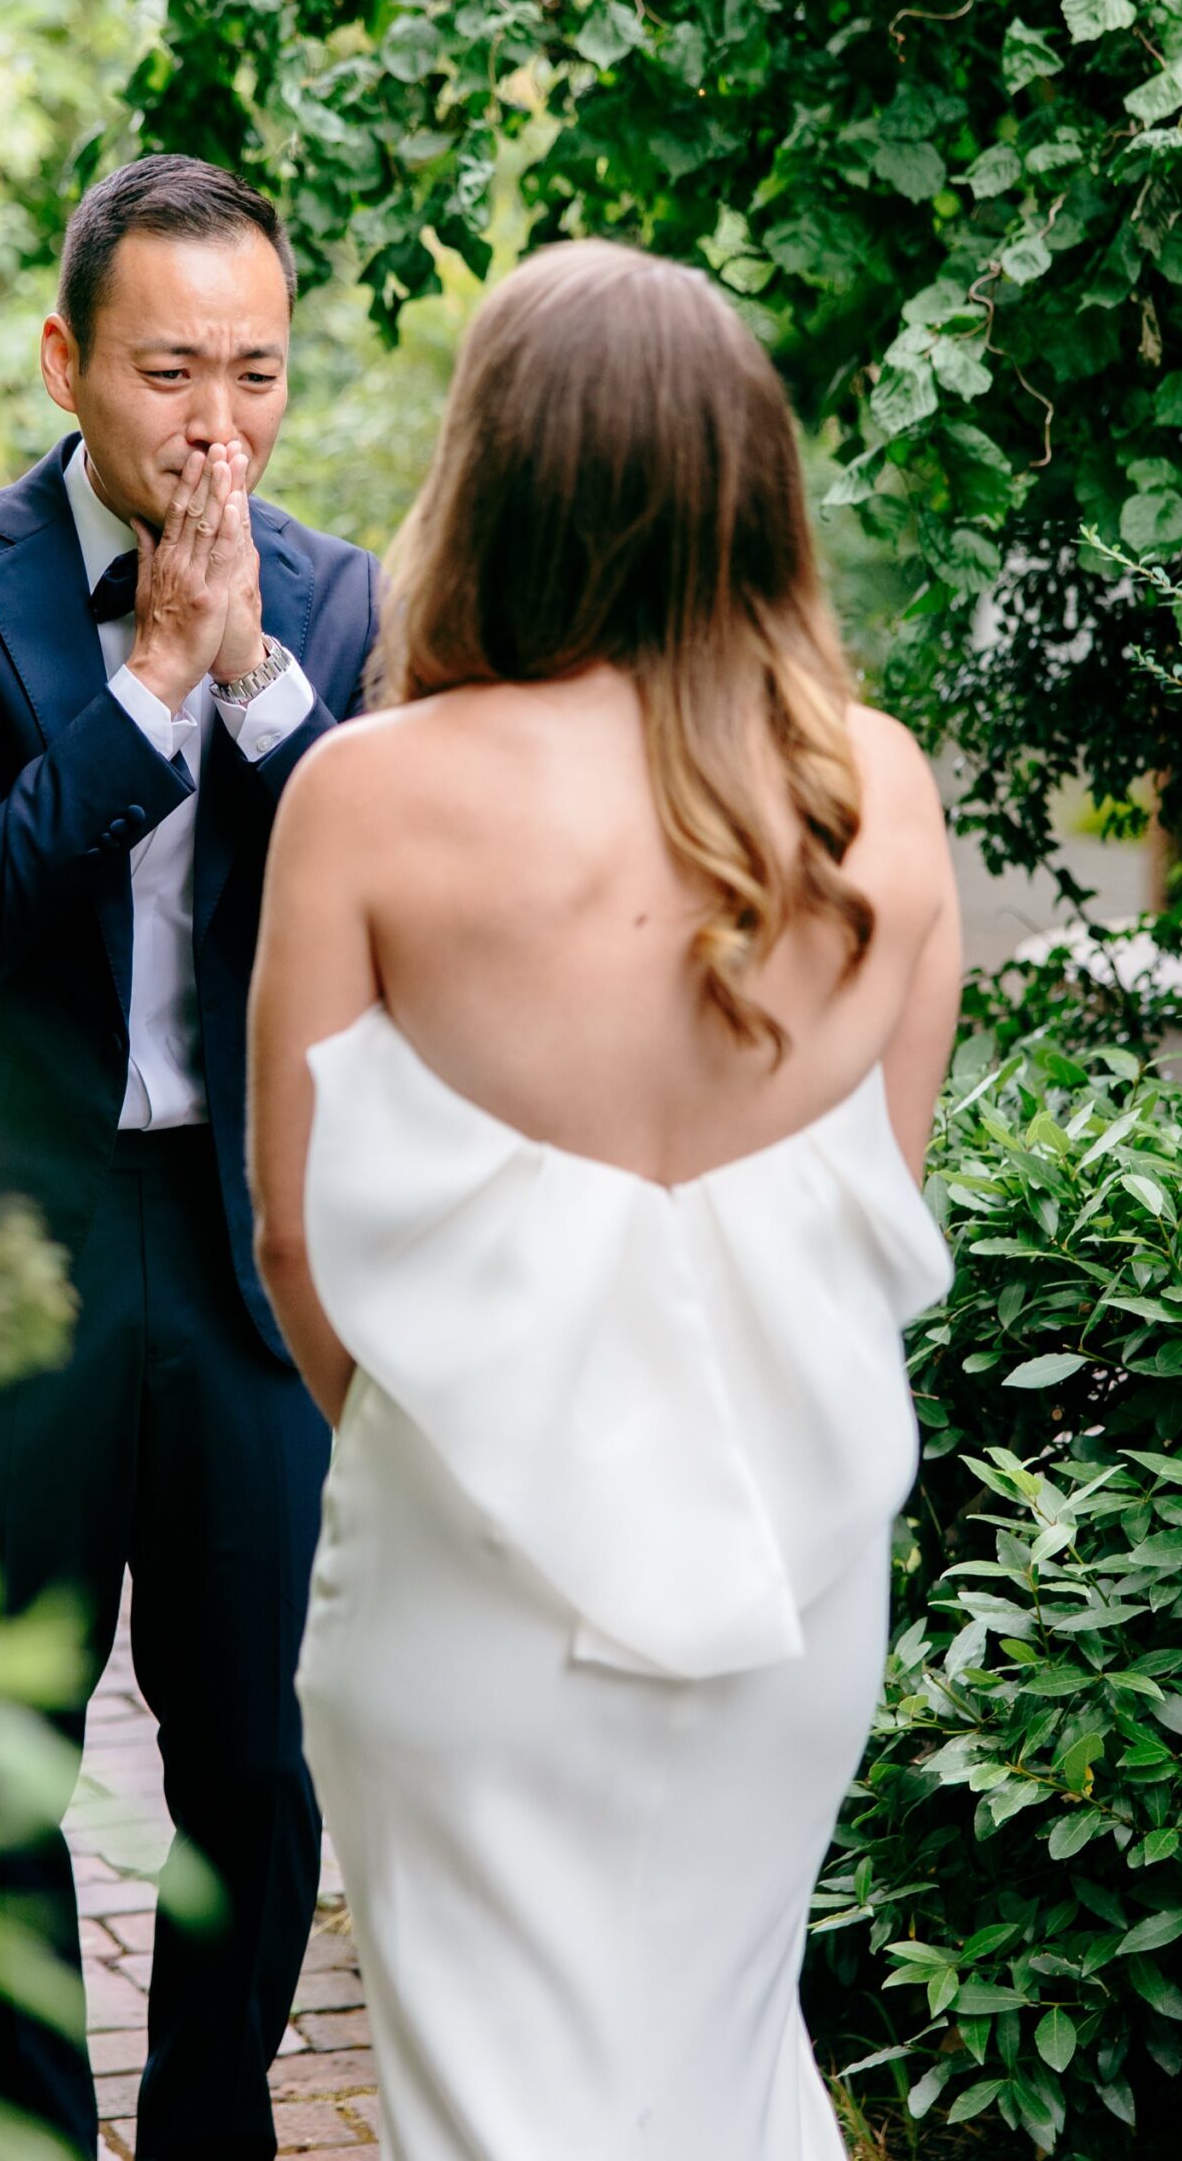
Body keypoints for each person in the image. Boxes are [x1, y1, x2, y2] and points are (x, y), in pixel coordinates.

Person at [247, 240, 960, 2160]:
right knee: (731, 2077)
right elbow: (866, 1220)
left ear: (491, 470)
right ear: (751, 479)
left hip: (459, 1579)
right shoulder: (880, 793)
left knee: (494, 2111)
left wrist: (445, 1438)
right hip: (786, 1576)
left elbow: (296, 1239)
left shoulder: (369, 794)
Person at [0, 156, 379, 2161]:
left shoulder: (330, 596)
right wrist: (146, 674)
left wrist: (244, 673)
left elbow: (378, 877)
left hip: (241, 1239)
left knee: (257, 1750)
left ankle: (209, 2127)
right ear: (67, 362)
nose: (214, 425)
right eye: (167, 371)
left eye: (256, 374)